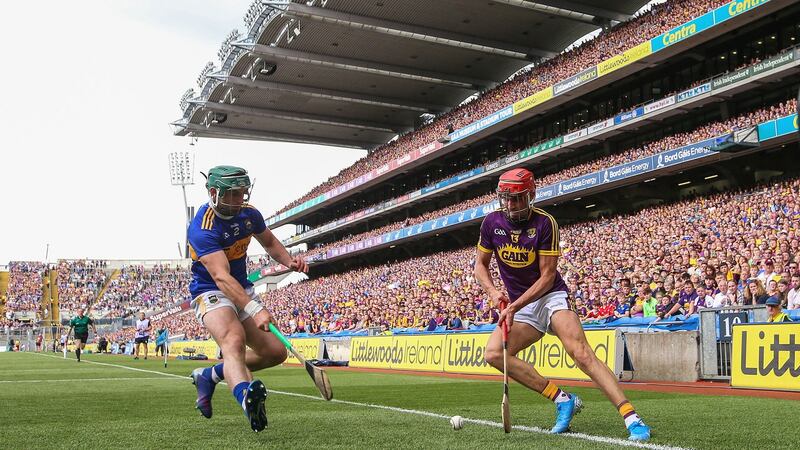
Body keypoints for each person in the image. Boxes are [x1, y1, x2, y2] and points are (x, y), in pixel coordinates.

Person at [474, 168, 650, 441]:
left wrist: (514, 306)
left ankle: (632, 417)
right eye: (506, 198)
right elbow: (480, 266)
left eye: (517, 198)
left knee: (581, 353)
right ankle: (562, 399)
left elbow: (546, 278)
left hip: (550, 296)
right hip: (520, 304)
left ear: (531, 195)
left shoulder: (546, 223)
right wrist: (494, 293)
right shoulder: (491, 222)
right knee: (494, 354)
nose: (510, 204)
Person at [187, 165, 308, 432]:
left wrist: (289, 261)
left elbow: (270, 242)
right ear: (213, 193)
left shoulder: (250, 214)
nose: (237, 199)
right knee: (233, 341)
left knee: (275, 352)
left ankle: (210, 375)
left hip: (242, 287)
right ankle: (245, 399)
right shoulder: (202, 228)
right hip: (211, 289)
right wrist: (254, 309)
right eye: (231, 194)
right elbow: (221, 277)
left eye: (241, 192)